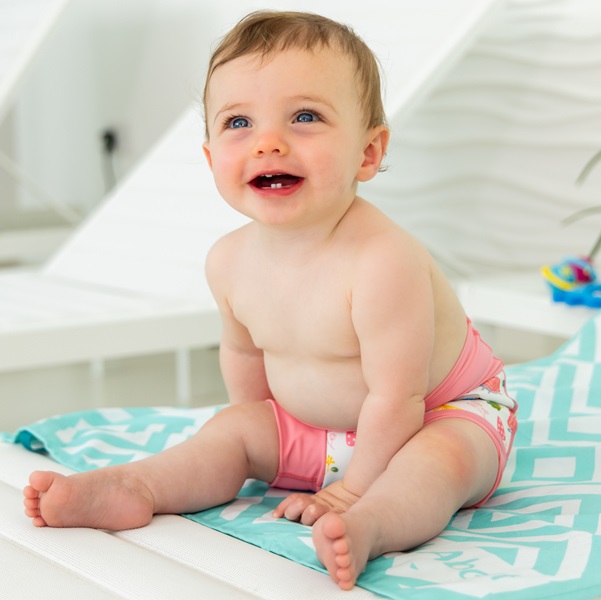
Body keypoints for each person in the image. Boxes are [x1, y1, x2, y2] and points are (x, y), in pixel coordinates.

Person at [23, 10, 517, 591]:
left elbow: (398, 397)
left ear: (367, 153)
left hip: (436, 414)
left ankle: (373, 525)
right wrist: (259, 435)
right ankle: (139, 486)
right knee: (228, 430)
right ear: (212, 159)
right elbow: (244, 356)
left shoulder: (385, 261)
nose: (268, 142)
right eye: (238, 122)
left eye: (305, 116)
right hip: (322, 430)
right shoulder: (228, 261)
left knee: (437, 464)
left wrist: (353, 491)